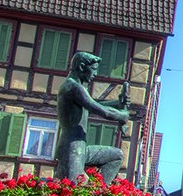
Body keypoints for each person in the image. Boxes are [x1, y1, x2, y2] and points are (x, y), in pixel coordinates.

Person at [55, 51, 130, 181]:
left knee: (116, 156)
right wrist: (123, 116)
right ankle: (96, 195)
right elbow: (102, 110)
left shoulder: (76, 87)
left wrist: (118, 104)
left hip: (81, 147)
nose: (95, 74)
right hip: (72, 149)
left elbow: (93, 104)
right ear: (82, 67)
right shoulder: (73, 87)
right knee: (73, 190)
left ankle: (99, 192)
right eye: (93, 69)